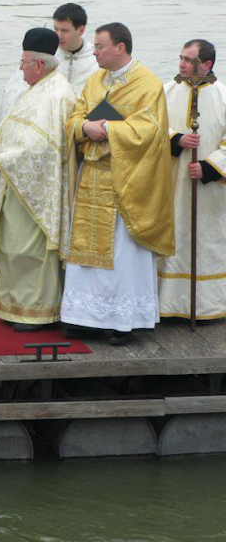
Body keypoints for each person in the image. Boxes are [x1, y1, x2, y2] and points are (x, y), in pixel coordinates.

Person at [61, 23, 175, 343]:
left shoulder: (147, 84)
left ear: (120, 48)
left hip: (126, 181)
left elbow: (151, 131)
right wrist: (85, 127)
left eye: (100, 46)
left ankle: (123, 320)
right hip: (92, 176)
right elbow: (76, 117)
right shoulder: (95, 79)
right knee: (85, 251)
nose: (94, 52)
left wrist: (109, 129)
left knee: (123, 255)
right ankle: (83, 316)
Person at [0, 3, 98, 204]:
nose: (59, 35)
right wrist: (1, 135)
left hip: (79, 140)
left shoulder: (95, 61)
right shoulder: (42, 55)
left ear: (81, 29)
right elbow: (13, 101)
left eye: (65, 30)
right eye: (56, 29)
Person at [0, 28, 76, 331]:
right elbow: (18, 126)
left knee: (28, 248)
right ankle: (13, 305)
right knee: (12, 245)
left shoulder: (56, 94)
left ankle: (37, 310)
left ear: (38, 64)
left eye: (23, 62)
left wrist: (4, 158)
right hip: (19, 182)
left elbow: (42, 147)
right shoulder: (39, 87)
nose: (20, 68)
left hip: (38, 188)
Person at [158, 39, 226, 321]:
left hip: (209, 191)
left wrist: (210, 167)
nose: (181, 64)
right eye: (181, 58)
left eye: (189, 60)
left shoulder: (223, 96)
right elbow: (150, 128)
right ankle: (167, 304)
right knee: (172, 236)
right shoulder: (165, 92)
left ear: (206, 65)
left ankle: (208, 306)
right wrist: (176, 139)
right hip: (171, 183)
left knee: (207, 240)